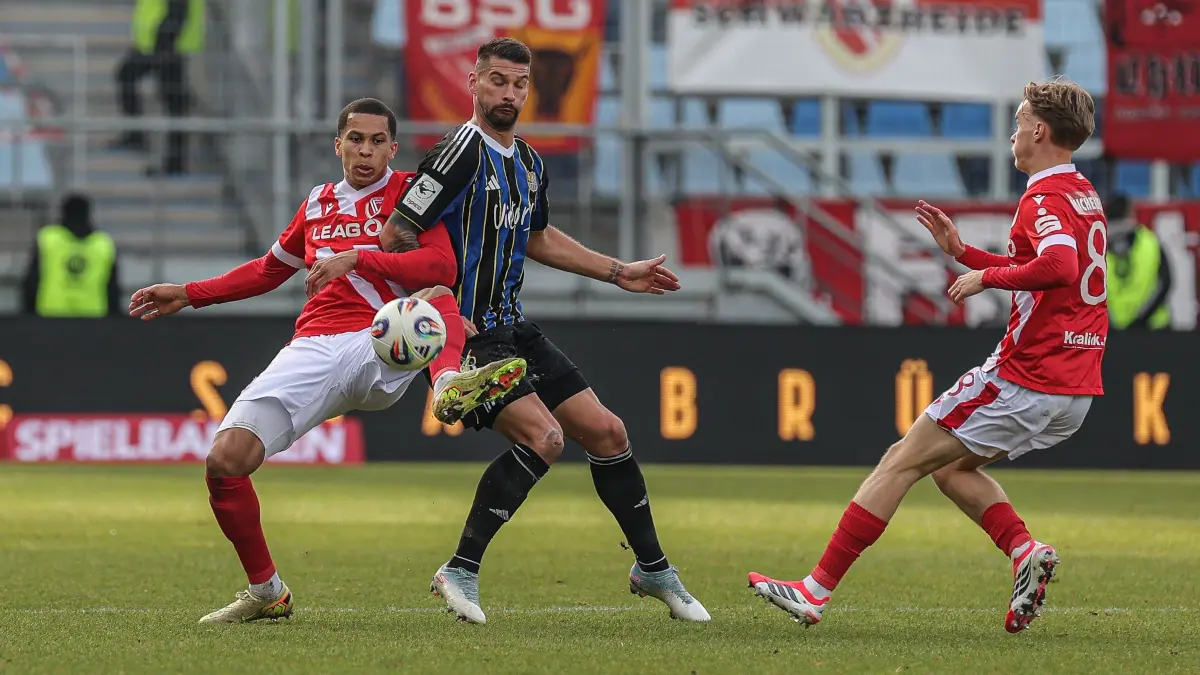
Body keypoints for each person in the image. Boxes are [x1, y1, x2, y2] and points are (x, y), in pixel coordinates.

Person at [126, 98, 527, 624]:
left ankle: (449, 382)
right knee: (225, 462)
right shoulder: (317, 202)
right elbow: (268, 269)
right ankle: (267, 591)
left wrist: (359, 256)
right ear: (337, 143)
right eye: (355, 139)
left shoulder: (410, 194)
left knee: (432, 293)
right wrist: (189, 292)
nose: (365, 151)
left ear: (393, 147)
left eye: (377, 141)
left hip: (382, 339)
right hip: (313, 348)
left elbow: (441, 263)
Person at [749, 78, 1109, 633]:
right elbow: (1047, 268)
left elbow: (1057, 268)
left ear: (1039, 130)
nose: (1012, 134)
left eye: (1018, 122)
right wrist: (964, 253)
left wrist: (984, 276)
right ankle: (1024, 551)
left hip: (1027, 375)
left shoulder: (1044, 195)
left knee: (901, 459)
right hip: (1075, 389)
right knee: (950, 471)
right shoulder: (1082, 193)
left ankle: (814, 590)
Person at [380, 38, 708, 624]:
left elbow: (538, 238)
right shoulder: (454, 155)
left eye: (519, 84)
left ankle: (653, 569)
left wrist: (617, 271)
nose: (509, 94)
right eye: (498, 81)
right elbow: (398, 231)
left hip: (515, 328)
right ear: (474, 83)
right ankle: (459, 568)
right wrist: (430, 295)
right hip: (471, 334)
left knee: (608, 433)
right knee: (546, 439)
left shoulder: (528, 162)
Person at [112, 0, 205, 174]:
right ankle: (137, 136)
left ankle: (174, 161)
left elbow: (178, 10)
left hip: (168, 45)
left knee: (174, 103)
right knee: (128, 76)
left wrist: (164, 44)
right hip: (158, 44)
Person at [22, 194, 121, 318]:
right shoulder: (104, 244)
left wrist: (27, 315)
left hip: (51, 317)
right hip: (93, 318)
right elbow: (113, 289)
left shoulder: (47, 239)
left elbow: (32, 281)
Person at [1105, 194, 1171, 329]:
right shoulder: (1150, 241)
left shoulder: (1097, 246)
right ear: (1130, 213)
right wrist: (1141, 319)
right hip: (1153, 327)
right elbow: (1165, 282)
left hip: (1115, 328)